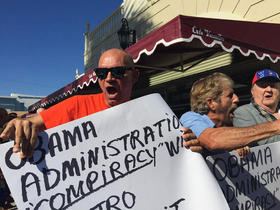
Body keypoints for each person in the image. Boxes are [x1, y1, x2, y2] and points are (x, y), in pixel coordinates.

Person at [0, 48, 197, 159]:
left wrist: (189, 142)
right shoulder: (77, 105)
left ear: (135, 76)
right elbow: (34, 123)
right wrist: (21, 124)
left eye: (118, 72)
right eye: (102, 74)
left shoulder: (151, 113)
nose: (109, 78)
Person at [180, 72, 280, 157]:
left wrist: (234, 148)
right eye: (230, 96)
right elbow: (213, 140)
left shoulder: (226, 127)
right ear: (211, 103)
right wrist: (275, 126)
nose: (237, 99)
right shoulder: (189, 118)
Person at [233, 69, 280, 146]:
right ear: (252, 91)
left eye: (273, 86)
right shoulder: (243, 112)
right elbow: (257, 144)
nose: (269, 89)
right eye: (263, 85)